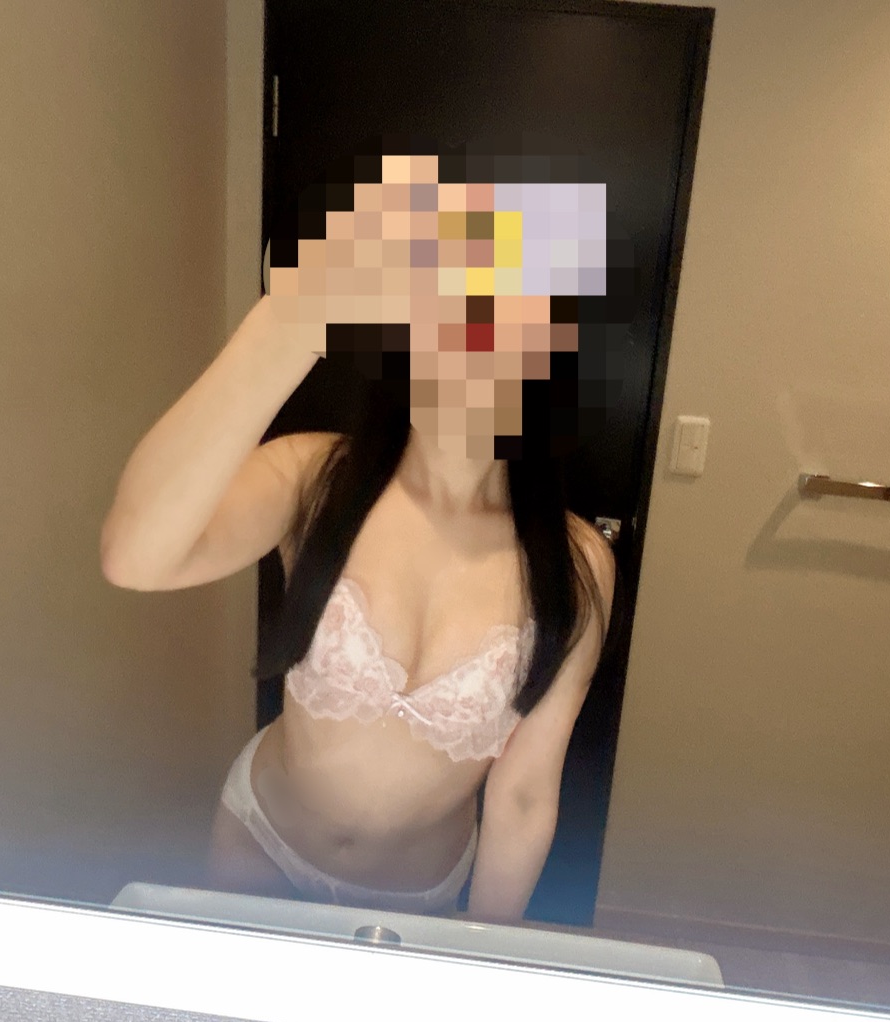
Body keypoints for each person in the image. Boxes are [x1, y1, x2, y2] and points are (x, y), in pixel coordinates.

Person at [101, 141, 620, 922]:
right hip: (257, 838)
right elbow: (136, 557)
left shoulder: (577, 564)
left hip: (419, 891)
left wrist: (486, 948)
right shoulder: (312, 477)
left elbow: (522, 792)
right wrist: (291, 319)